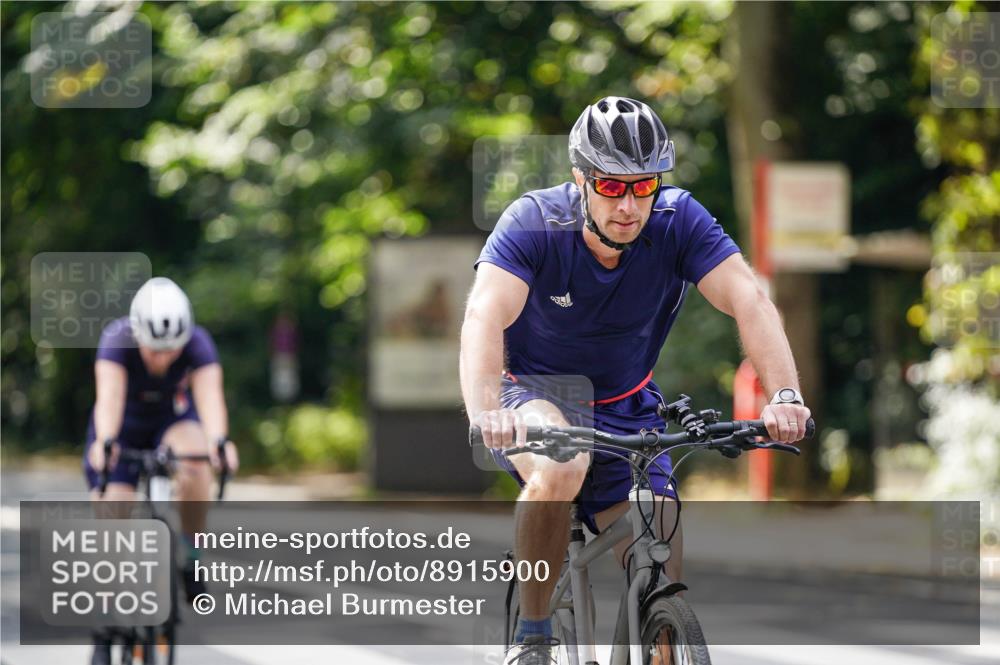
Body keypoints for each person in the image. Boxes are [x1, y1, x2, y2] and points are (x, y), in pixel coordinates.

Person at [460, 97, 811, 664]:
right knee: (562, 465)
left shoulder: (678, 221)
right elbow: (484, 315)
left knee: (660, 536)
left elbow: (749, 297)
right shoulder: (534, 224)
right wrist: (485, 410)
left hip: (628, 403)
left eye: (642, 186)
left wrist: (786, 396)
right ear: (581, 179)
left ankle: (656, 640)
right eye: (611, 186)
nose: (628, 204)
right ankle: (533, 636)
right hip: (532, 393)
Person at [83, 277, 239, 665]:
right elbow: (110, 399)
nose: (163, 359)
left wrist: (220, 442)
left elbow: (210, 400)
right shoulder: (117, 339)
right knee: (112, 514)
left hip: (172, 422)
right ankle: (104, 629)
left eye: (172, 351)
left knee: (197, 457)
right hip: (124, 424)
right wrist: (105, 443)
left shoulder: (198, 343)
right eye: (154, 350)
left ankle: (190, 554)